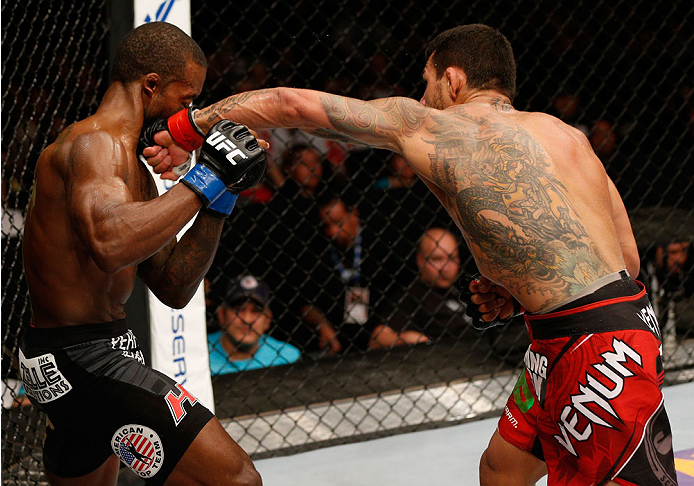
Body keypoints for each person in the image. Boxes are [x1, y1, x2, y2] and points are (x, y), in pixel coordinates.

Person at [143, 23, 676, 486]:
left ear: (453, 79)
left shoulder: (430, 124)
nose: (421, 97)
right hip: (597, 327)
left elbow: (290, 105)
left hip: (599, 349)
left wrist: (185, 128)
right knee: (502, 468)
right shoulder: (567, 136)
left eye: (426, 82)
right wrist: (524, 291)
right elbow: (624, 260)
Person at [18, 22, 266, 485]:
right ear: (151, 86)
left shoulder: (134, 167)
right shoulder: (93, 144)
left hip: (87, 353)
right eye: (186, 98)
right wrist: (207, 176)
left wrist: (222, 196)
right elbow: (111, 245)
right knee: (238, 479)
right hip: (83, 357)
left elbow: (173, 285)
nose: (188, 114)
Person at [368, 227, 468, 348]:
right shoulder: (412, 295)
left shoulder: (462, 290)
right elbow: (377, 339)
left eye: (452, 258)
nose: (445, 268)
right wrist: (411, 340)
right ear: (420, 260)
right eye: (436, 259)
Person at [208, 275, 301, 374]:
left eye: (256, 311)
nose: (247, 320)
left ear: (268, 320)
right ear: (221, 315)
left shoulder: (287, 357)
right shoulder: (196, 354)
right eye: (239, 309)